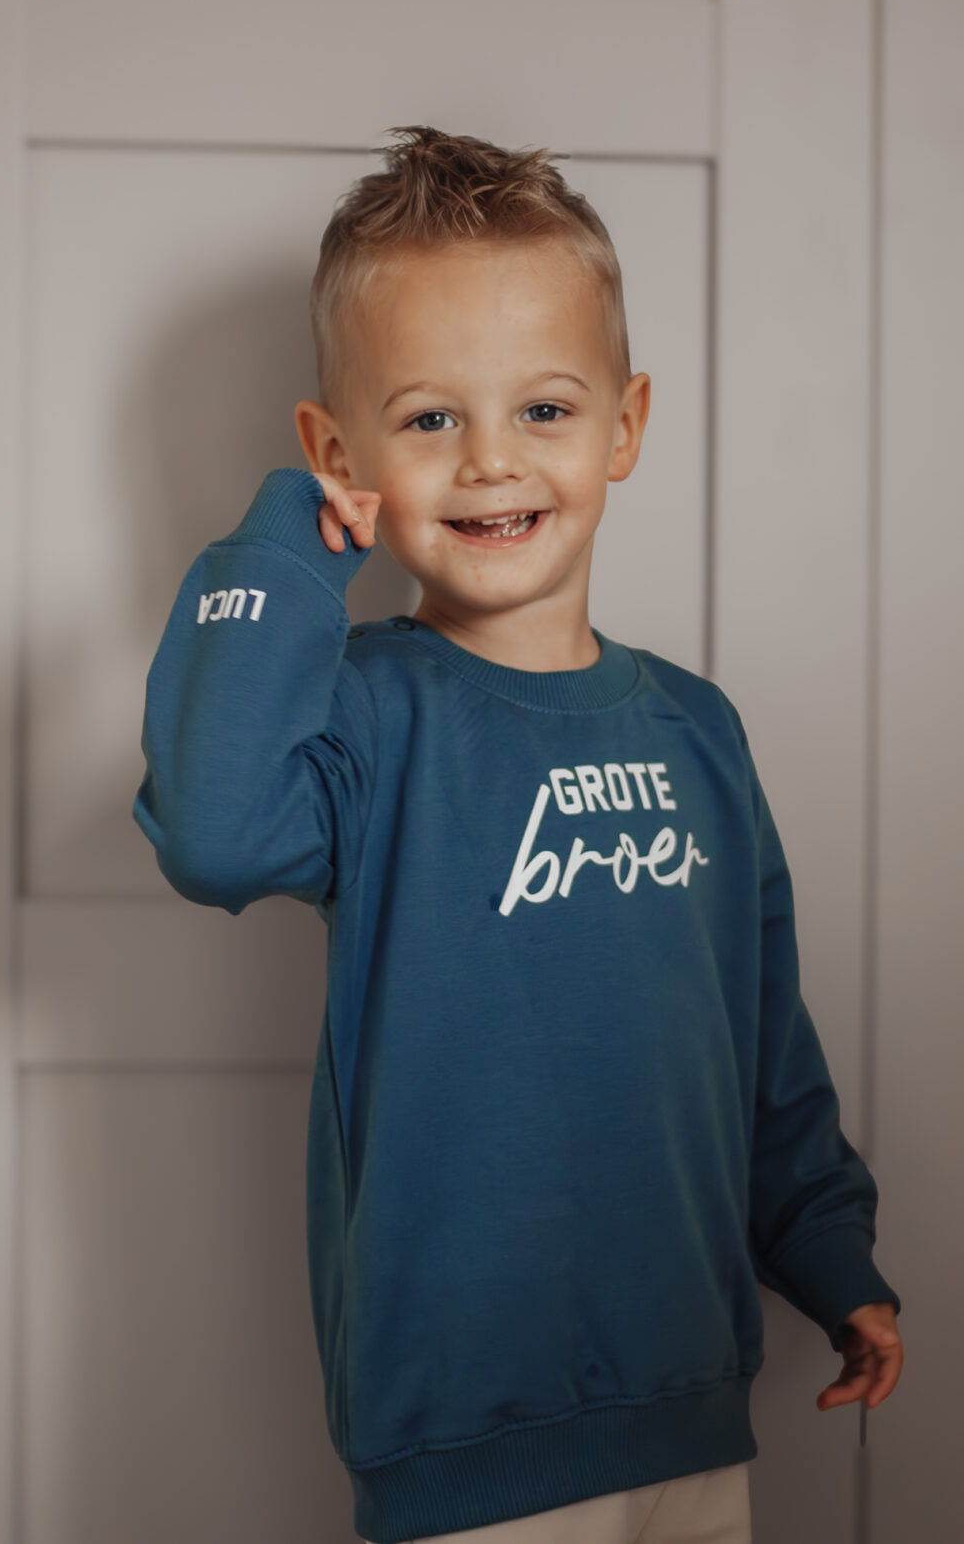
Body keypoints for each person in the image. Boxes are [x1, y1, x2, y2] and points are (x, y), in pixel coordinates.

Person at [132, 125, 903, 1544]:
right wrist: (289, 539)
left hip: (689, 1399)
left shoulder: (698, 730)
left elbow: (762, 1042)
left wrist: (829, 1253)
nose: (492, 460)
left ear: (625, 426)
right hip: (463, 1432)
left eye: (544, 409)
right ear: (340, 450)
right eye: (431, 420)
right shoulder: (364, 717)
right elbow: (214, 834)